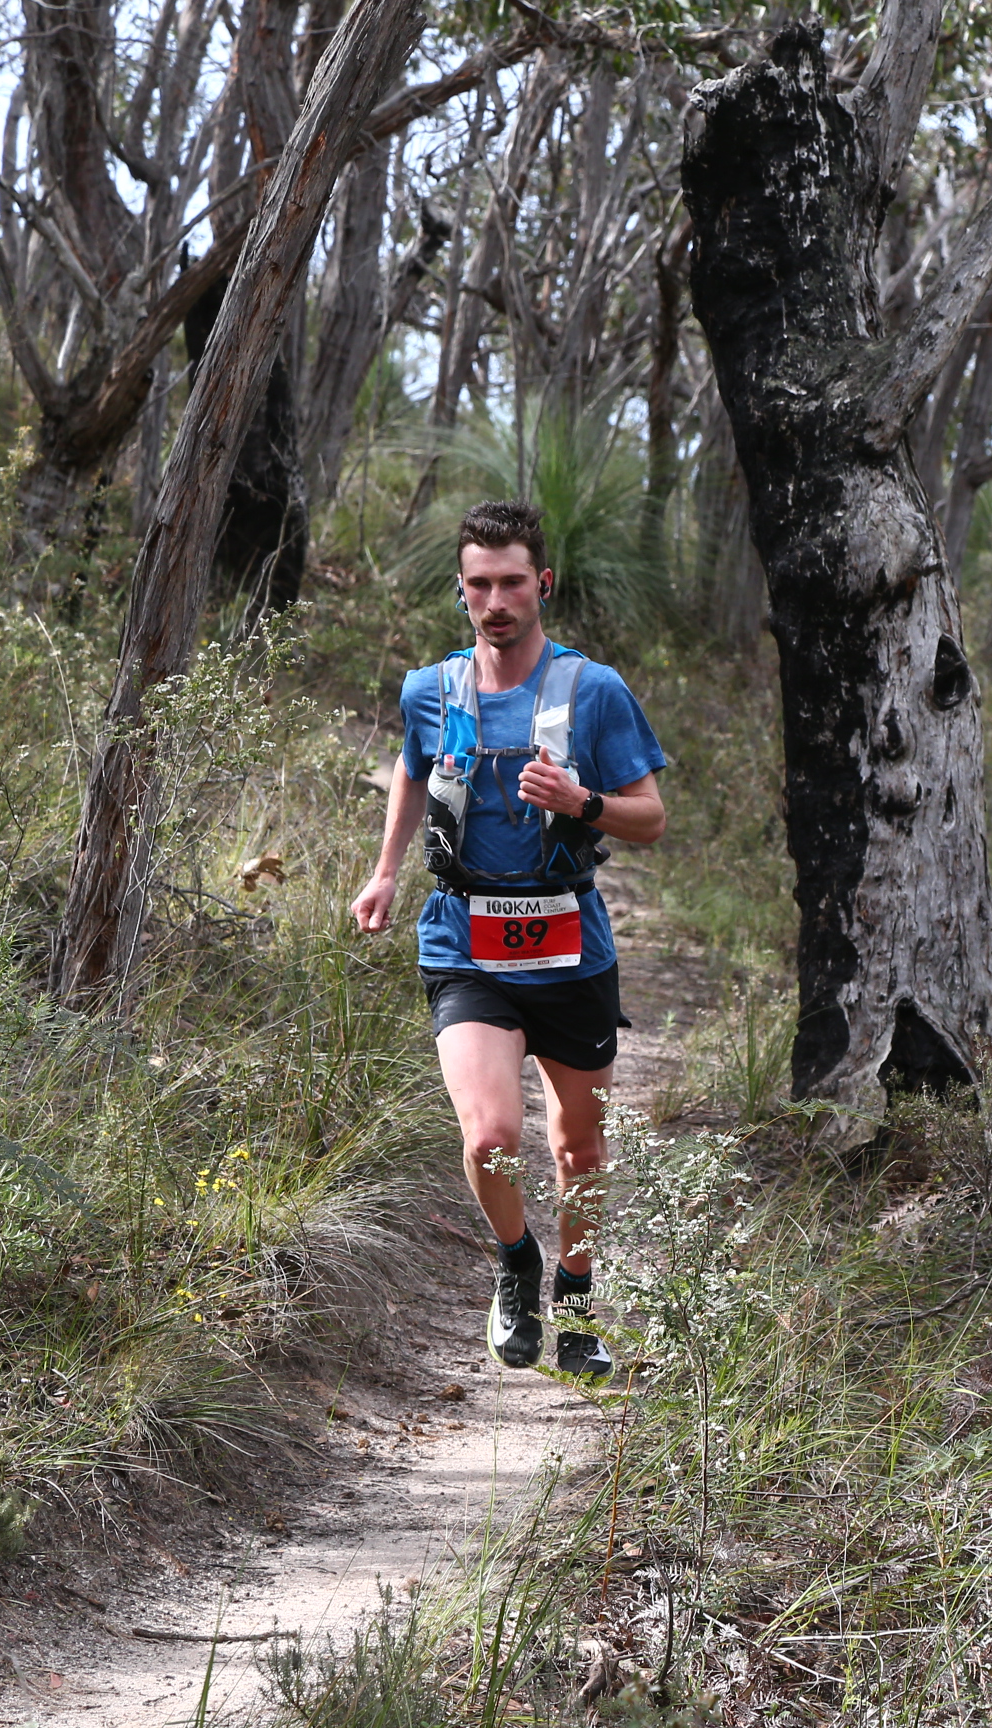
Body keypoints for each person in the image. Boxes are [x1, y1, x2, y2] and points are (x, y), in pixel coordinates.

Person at [350, 501, 667, 1375]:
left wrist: (583, 804)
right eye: (480, 584)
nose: (496, 599)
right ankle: (516, 1261)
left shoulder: (593, 691)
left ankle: (576, 1296)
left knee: (580, 1148)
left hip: (570, 945)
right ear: (462, 591)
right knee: (491, 1137)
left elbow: (651, 818)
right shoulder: (430, 689)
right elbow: (411, 778)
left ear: (543, 586)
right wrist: (384, 873)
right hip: (463, 938)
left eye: (513, 582)